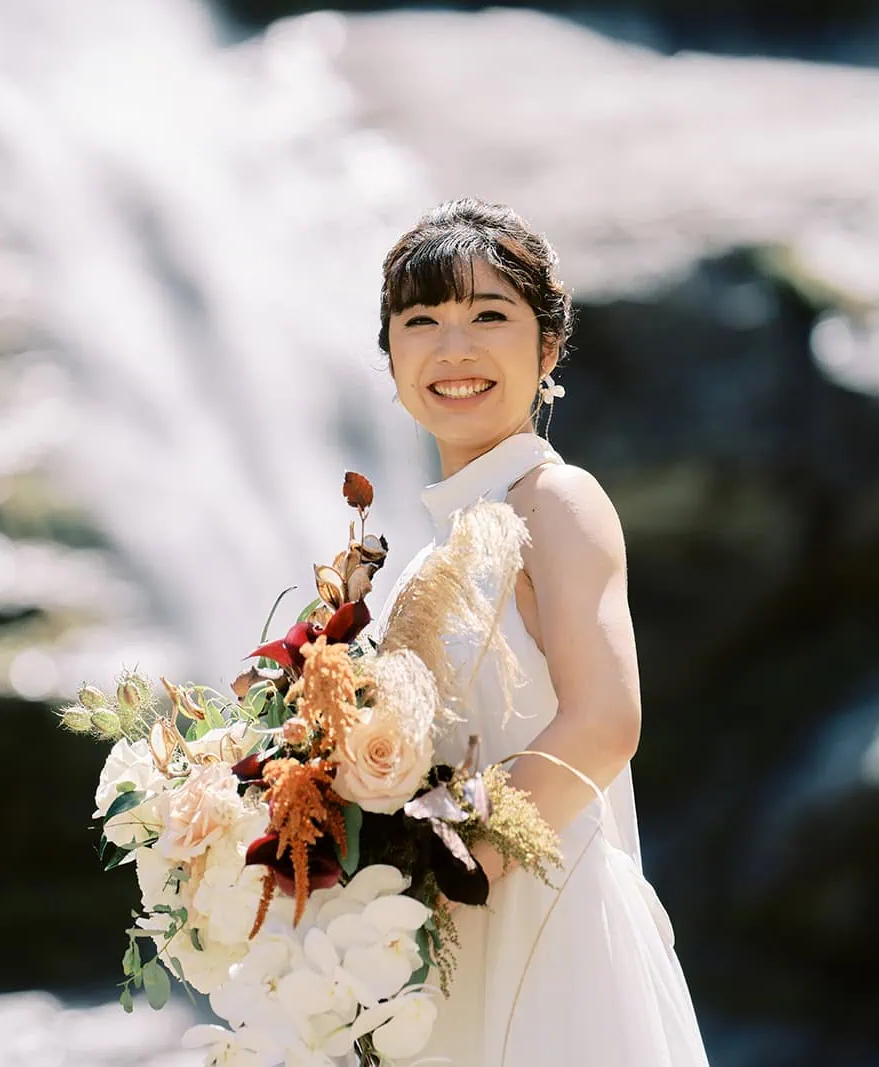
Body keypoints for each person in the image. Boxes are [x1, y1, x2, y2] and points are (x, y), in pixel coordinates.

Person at [373, 198, 710, 1066]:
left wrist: (460, 864)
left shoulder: (555, 501)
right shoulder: (424, 562)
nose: (455, 348)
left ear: (548, 348)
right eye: (423, 321)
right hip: (443, 932)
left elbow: (604, 721)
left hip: (543, 915)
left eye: (490, 315)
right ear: (391, 357)